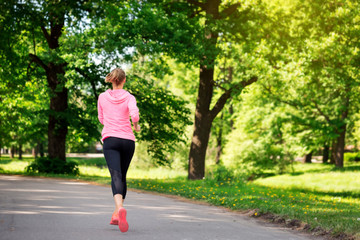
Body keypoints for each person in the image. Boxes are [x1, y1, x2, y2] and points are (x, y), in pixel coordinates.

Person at [97, 68, 140, 233]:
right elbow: (134, 116)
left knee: (115, 175)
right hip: (128, 141)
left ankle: (119, 209)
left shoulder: (102, 97)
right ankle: (117, 213)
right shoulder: (130, 97)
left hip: (111, 140)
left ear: (112, 80)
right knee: (122, 176)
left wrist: (110, 121)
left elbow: (101, 118)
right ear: (124, 80)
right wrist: (135, 125)